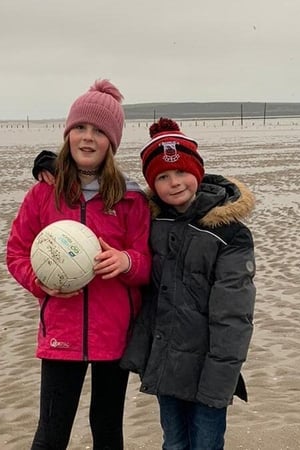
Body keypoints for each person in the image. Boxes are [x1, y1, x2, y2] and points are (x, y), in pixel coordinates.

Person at [6, 79, 152, 450]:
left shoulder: (131, 199)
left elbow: (147, 263)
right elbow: (16, 253)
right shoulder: (44, 192)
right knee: (51, 434)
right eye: (80, 128)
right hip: (61, 332)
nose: (88, 138)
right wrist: (41, 284)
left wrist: (125, 261)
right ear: (68, 134)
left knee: (107, 431)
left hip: (114, 334)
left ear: (112, 143)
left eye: (99, 131)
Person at [119, 118, 256, 450]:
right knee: (174, 443)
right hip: (166, 365)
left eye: (181, 172)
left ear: (197, 171)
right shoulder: (154, 223)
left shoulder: (230, 234)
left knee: (206, 444)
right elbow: (108, 199)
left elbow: (233, 315)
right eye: (163, 177)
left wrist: (222, 377)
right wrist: (52, 168)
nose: (174, 183)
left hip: (210, 369)